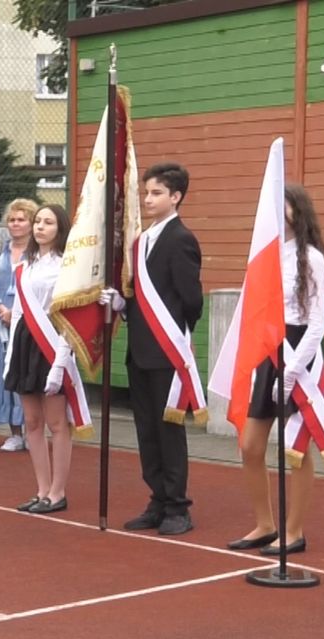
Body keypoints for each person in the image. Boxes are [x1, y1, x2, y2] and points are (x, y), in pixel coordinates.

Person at [228, 184, 324, 556]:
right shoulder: (266, 255)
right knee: (250, 446)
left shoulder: (312, 258)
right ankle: (264, 524)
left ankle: (294, 531)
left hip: (299, 353)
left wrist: (292, 371)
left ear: (297, 211)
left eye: (283, 205)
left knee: (296, 449)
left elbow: (318, 322)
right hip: (269, 352)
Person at [122, 163, 204, 537]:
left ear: (175, 196)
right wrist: (121, 304)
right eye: (146, 192)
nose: (148, 199)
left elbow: (191, 299)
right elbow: (140, 294)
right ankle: (157, 499)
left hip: (167, 350)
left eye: (156, 193)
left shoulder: (181, 238)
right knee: (147, 430)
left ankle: (177, 506)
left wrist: (179, 334)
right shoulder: (141, 241)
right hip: (139, 350)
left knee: (168, 430)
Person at [3, 204, 76, 514]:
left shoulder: (67, 266)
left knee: (57, 422)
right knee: (32, 421)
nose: (40, 227)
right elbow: (19, 312)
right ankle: (42, 489)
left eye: (48, 222)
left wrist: (61, 362)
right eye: (38, 222)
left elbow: (70, 317)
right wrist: (10, 357)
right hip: (25, 342)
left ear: (60, 228)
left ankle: (58, 492)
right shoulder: (25, 265)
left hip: (52, 342)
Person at [0, 198, 36, 451]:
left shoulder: (37, 252)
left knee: (26, 370)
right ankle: (14, 433)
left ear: (31, 223)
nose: (15, 224)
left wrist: (18, 311)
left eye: (21, 219)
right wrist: (1, 308)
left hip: (27, 318)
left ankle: (32, 430)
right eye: (12, 219)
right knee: (4, 371)